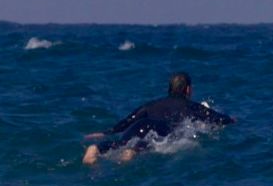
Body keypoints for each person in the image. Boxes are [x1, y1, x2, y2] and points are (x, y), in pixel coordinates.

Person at [82, 71, 234, 165]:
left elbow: (128, 121)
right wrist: (231, 120)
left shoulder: (151, 105)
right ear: (188, 89)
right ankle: (130, 153)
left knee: (120, 142)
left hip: (140, 124)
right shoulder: (191, 106)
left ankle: (95, 149)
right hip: (161, 128)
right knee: (146, 144)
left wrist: (106, 132)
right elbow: (217, 118)